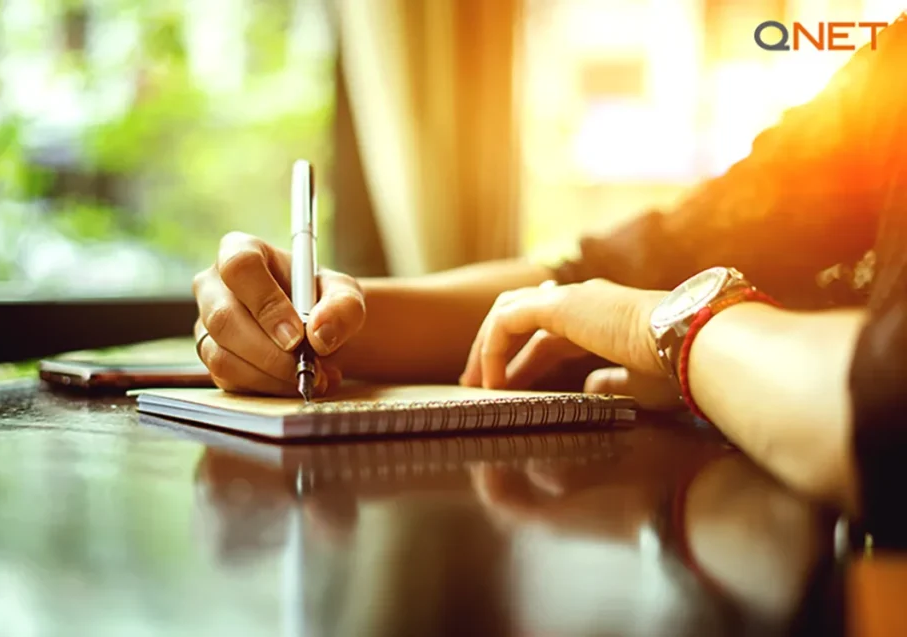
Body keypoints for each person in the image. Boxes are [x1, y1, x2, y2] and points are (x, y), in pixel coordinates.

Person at [192, 15, 907, 545]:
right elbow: (602, 278)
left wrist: (654, 326)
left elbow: (882, 400)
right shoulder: (884, 78)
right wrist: (307, 310)